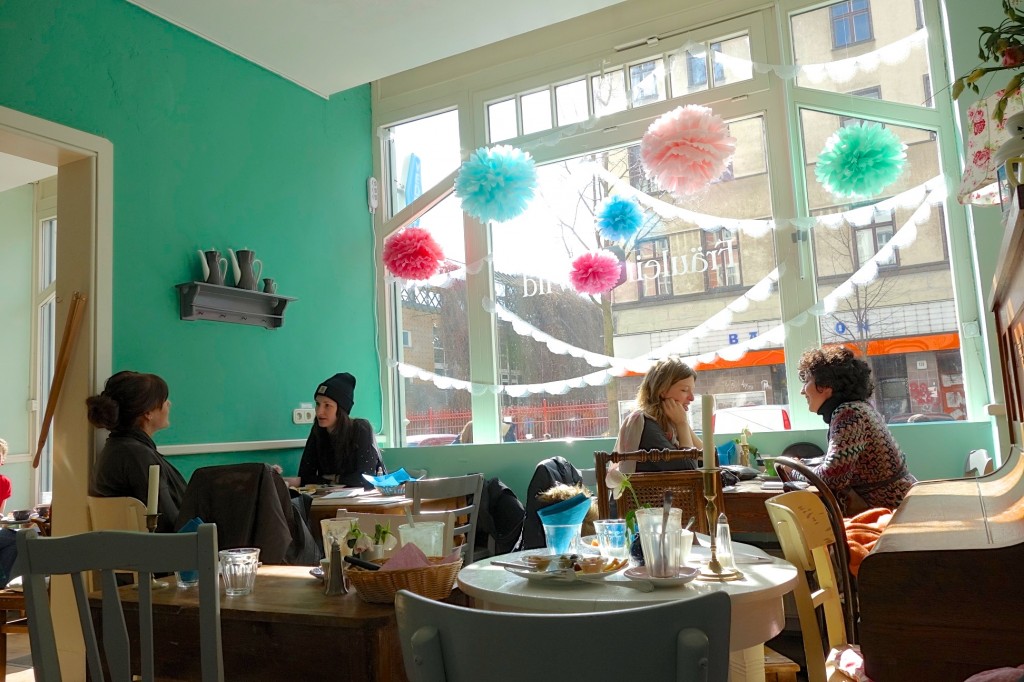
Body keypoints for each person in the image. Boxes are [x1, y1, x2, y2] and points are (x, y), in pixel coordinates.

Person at [792, 346, 917, 514]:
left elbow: (833, 477)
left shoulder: (849, 414)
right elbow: (838, 463)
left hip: (891, 510)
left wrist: (795, 471)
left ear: (827, 384)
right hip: (897, 503)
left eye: (807, 381)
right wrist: (804, 464)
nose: (802, 391)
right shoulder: (858, 408)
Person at [86, 371, 187, 533]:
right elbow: (169, 523)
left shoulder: (117, 449)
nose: (169, 404)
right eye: (163, 400)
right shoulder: (137, 456)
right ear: (148, 413)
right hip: (155, 547)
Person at [614, 357, 703, 472]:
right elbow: (689, 469)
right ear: (662, 391)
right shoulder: (646, 425)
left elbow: (710, 459)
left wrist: (682, 423)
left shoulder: (669, 424)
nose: (692, 398)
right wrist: (682, 424)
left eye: (692, 390)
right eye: (685, 390)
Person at [297, 372, 384, 488]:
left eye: (327, 405)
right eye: (318, 404)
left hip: (365, 497)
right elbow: (305, 477)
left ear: (341, 409)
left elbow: (366, 479)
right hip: (330, 497)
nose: (319, 412)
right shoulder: (318, 430)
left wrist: (335, 478)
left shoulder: (361, 428)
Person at [0, 439, 15, 588]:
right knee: (16, 539)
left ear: (2, 460)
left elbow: (0, 514)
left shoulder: (4, 483)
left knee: (17, 539)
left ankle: (2, 583)